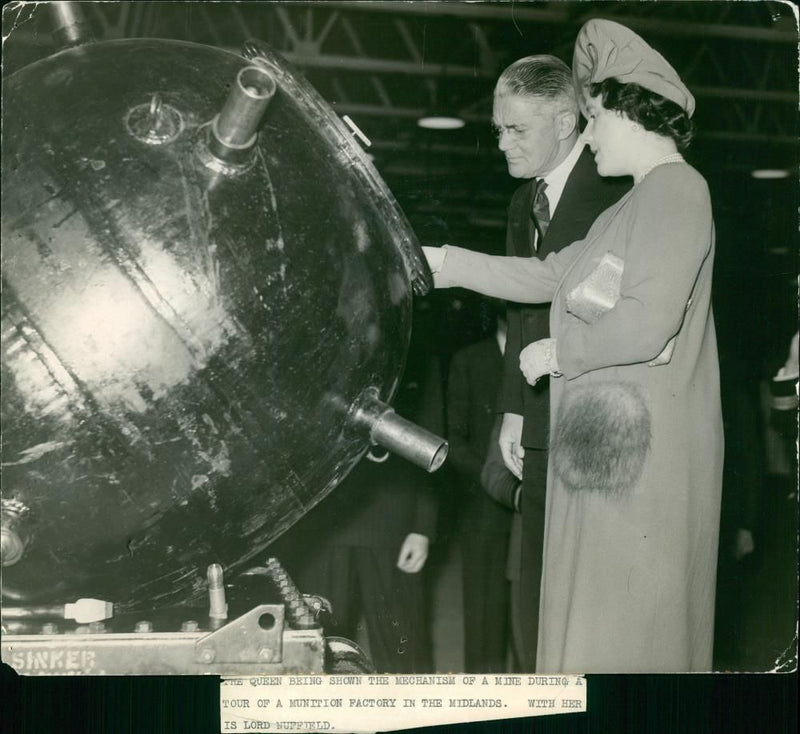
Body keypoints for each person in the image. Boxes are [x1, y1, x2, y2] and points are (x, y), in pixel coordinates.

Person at [423, 18, 723, 673]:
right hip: (606, 450)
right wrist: (441, 261)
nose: (589, 142)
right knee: (585, 631)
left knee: (625, 635)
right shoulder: (625, 211)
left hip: (639, 458)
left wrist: (559, 353)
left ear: (630, 114)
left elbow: (651, 322)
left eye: (595, 121)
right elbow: (550, 274)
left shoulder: (678, 191)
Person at [490, 54, 630, 670]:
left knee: (596, 609)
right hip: (542, 426)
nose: (501, 143)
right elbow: (518, 314)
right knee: (536, 606)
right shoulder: (523, 203)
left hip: (601, 425)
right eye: (497, 128)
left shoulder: (617, 189)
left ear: (567, 122)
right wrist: (515, 412)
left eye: (515, 129)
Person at [282, 343, 442, 674]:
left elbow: (431, 446)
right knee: (317, 645)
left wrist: (422, 528)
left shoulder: (420, 353)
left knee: (402, 645)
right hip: (324, 524)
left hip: (393, 524)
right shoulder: (320, 343)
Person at [446, 304, 513, 672]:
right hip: (483, 505)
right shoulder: (468, 361)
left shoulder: (547, 359)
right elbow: (454, 441)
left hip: (530, 506)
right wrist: (491, 478)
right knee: (482, 607)